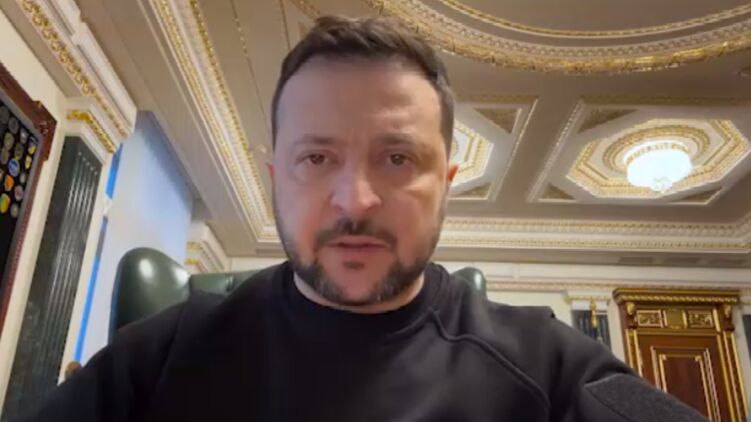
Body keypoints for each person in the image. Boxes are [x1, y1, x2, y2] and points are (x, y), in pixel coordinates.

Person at [24, 15, 707, 422]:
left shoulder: (545, 366)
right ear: (275, 181)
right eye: (317, 158)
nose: (354, 200)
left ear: (446, 186)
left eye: (397, 158)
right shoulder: (164, 354)